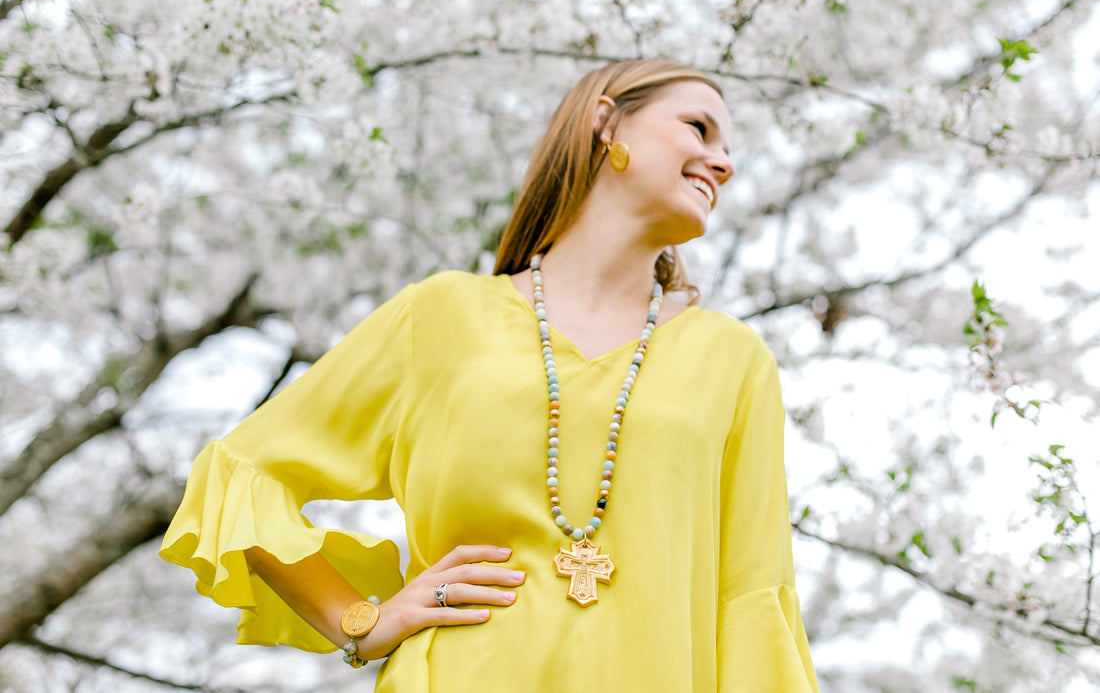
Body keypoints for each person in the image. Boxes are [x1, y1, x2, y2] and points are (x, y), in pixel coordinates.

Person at [161, 59, 820, 692]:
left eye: (728, 148)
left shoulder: (733, 359)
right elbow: (241, 472)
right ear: (606, 121)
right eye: (699, 127)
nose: (723, 162)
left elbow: (753, 597)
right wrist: (359, 620)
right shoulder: (443, 316)